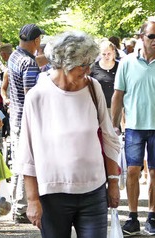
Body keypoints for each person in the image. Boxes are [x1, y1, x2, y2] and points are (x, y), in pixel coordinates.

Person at [18, 31, 122, 237]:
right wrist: (32, 200)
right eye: (82, 65)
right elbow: (27, 153)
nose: (87, 70)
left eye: (89, 64)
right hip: (53, 195)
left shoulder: (94, 88)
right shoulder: (37, 96)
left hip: (94, 191)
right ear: (64, 63)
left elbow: (109, 138)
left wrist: (113, 183)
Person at [111, 21, 155, 236]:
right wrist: (113, 125)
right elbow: (118, 95)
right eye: (152, 36)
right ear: (141, 37)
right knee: (133, 170)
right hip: (134, 125)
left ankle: (151, 217)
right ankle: (132, 217)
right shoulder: (126, 62)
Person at [7, 23, 45, 224]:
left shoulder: (15, 56)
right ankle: (21, 209)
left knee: (18, 163)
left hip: (16, 117)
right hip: (26, 119)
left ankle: (16, 205)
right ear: (37, 41)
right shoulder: (29, 64)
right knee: (27, 164)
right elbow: (31, 95)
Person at [89, 40, 118, 109]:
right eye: (104, 54)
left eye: (109, 53)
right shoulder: (93, 67)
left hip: (117, 106)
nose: (106, 56)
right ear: (100, 54)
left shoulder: (120, 67)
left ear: (113, 53)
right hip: (98, 106)